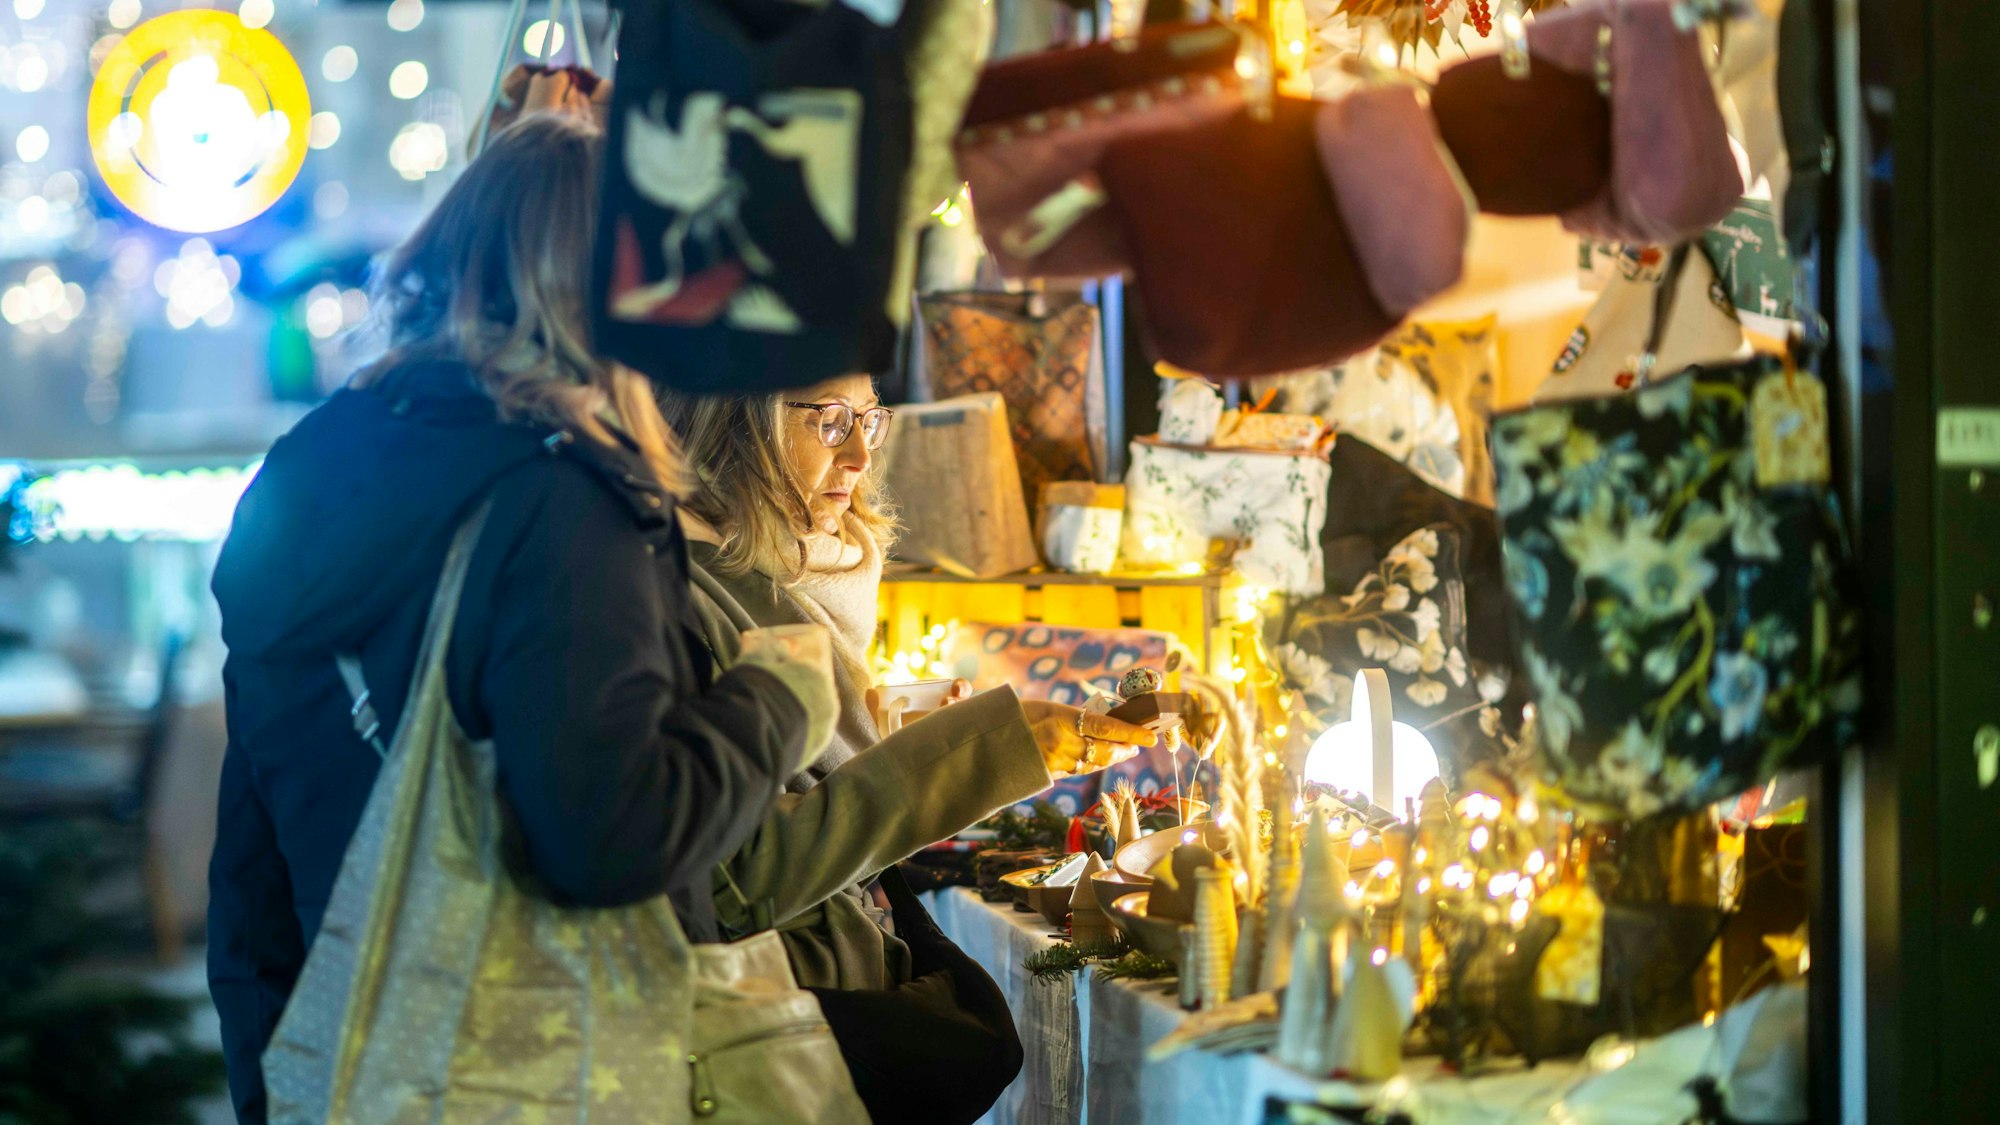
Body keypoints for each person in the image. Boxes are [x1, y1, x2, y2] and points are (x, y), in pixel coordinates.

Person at [206, 111, 826, 1123]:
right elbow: (611, 838)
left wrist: (275, 1089)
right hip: (551, 1072)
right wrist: (778, 696)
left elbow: (251, 869)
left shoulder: (296, 483)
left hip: (361, 1071)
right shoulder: (565, 501)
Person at [663, 377, 1158, 1122]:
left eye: (869, 419)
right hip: (784, 1029)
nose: (862, 453)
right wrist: (982, 747)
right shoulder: (679, 596)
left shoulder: (804, 572)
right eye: (829, 422)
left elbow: (809, 760)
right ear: (737, 427)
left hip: (854, 979)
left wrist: (905, 730)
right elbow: (745, 875)